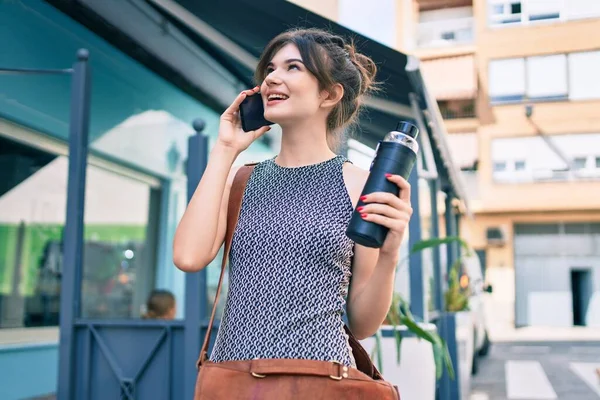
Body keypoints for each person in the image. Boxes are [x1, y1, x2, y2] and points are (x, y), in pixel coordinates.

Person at [173, 27, 412, 369]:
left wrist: (389, 254)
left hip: (322, 379)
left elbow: (363, 324)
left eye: (292, 67)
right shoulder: (241, 181)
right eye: (270, 69)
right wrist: (225, 150)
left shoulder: (360, 186)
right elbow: (187, 257)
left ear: (329, 95)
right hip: (237, 379)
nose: (272, 79)